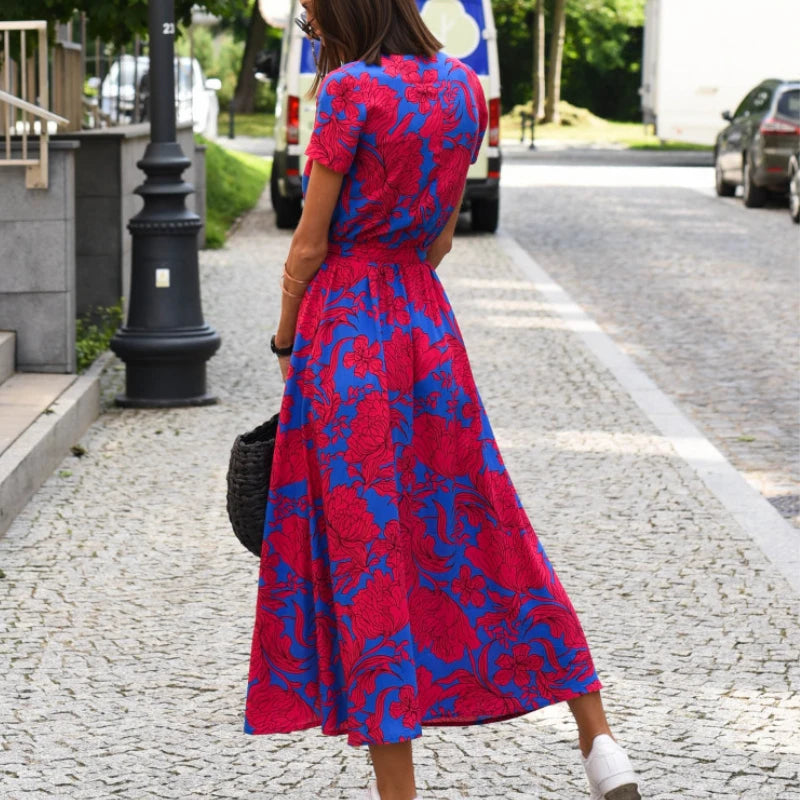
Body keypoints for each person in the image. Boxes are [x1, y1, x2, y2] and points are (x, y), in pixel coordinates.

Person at [244, 2, 641, 799]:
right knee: (490, 523)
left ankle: (401, 793)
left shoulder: (351, 91)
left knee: (369, 560)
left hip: (348, 335)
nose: (310, 19)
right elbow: (441, 239)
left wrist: (287, 338)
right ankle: (599, 741)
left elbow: (311, 243)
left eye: (314, 7)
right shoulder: (464, 88)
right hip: (428, 331)